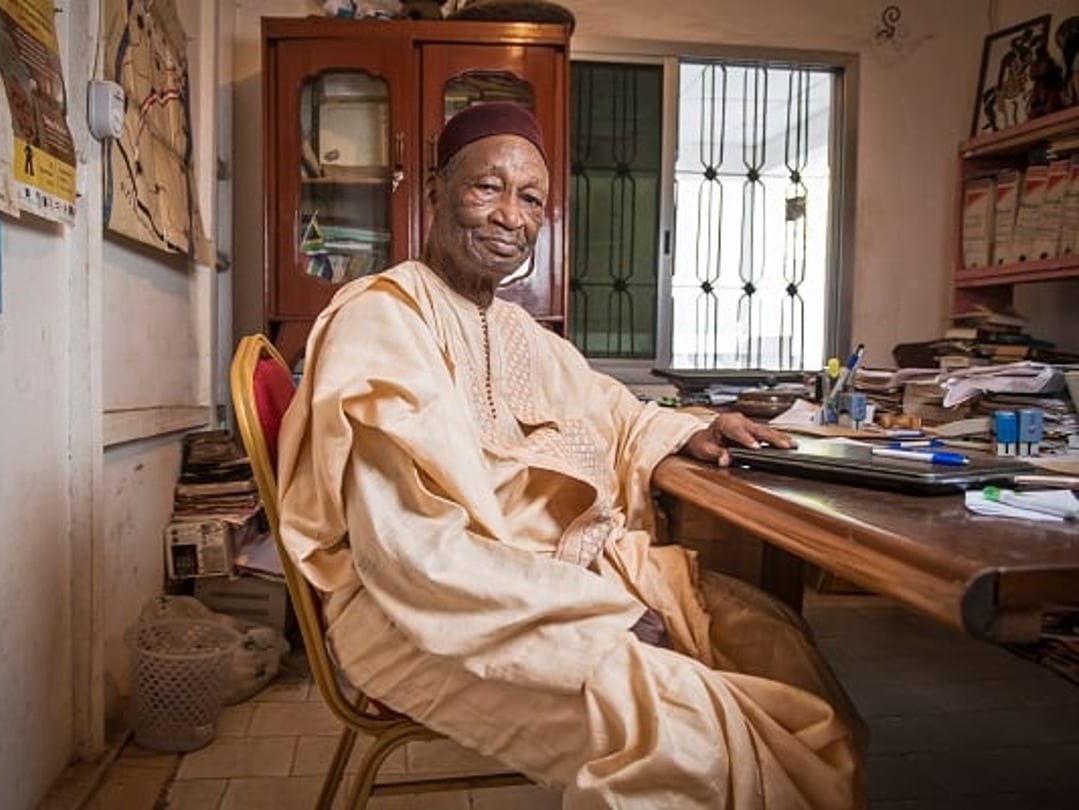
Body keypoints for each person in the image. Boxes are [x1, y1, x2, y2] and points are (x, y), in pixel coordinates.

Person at [277, 101, 866, 809]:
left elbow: (613, 412)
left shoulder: (522, 332)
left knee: (777, 646)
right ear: (433, 192)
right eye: (486, 187)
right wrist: (599, 613)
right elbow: (408, 552)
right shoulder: (381, 316)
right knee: (687, 730)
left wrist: (692, 430)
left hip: (552, 579)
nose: (508, 216)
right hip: (425, 615)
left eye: (529, 199)